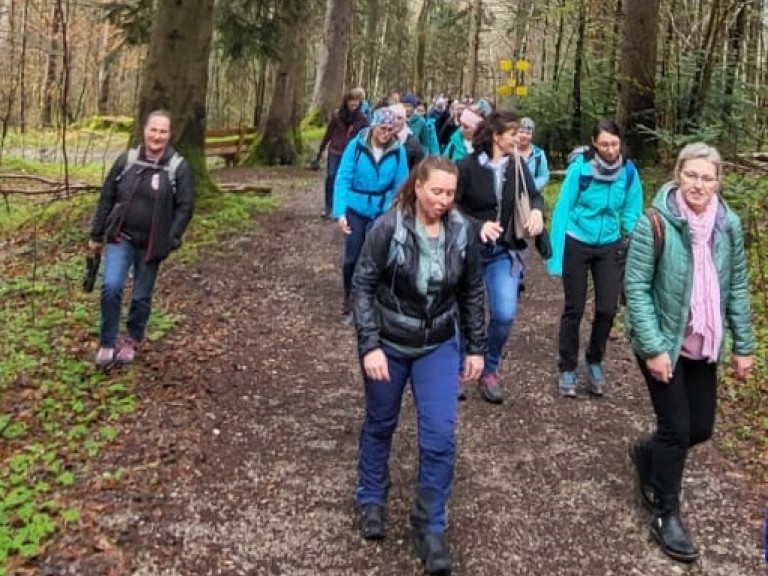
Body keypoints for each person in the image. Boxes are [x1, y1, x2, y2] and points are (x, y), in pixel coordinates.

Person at [351, 155, 486, 575]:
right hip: (388, 343)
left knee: (440, 435)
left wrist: (476, 347)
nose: (444, 200)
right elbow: (362, 284)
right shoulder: (388, 227)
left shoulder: (463, 231)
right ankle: (371, 497)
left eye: (450, 193)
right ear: (418, 187)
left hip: (437, 344)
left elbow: (473, 290)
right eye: (436, 192)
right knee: (380, 423)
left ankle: (429, 525)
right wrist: (369, 345)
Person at [625, 142, 753, 563]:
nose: (699, 184)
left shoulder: (728, 225)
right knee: (677, 429)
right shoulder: (656, 222)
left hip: (706, 342)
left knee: (700, 429)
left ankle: (647, 453)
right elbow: (637, 289)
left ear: (718, 182)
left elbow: (735, 286)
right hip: (664, 342)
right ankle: (666, 513)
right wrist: (654, 347)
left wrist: (743, 346)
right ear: (679, 174)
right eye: (692, 175)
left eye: (708, 177)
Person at [88, 109, 194, 369]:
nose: (157, 136)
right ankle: (107, 342)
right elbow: (107, 196)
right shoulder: (128, 160)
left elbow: (185, 206)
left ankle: (132, 340)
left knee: (140, 296)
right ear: (144, 130)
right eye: (153, 129)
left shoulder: (177, 167)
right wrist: (96, 235)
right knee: (111, 287)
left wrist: (171, 238)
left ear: (169, 135)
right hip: (119, 236)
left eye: (163, 131)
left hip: (152, 244)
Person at [547, 119, 643, 397]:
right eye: (604, 144)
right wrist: (556, 256)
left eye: (614, 143)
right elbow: (563, 209)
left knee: (607, 308)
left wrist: (630, 235)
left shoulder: (628, 171)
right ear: (594, 143)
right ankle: (567, 367)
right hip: (578, 240)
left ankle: (595, 360)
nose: (610, 149)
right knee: (574, 308)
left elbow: (632, 208)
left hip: (609, 245)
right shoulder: (581, 170)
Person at [456, 109, 544, 403]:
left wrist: (536, 212)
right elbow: (451, 209)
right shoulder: (466, 167)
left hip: (504, 252)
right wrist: (478, 226)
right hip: (468, 251)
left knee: (504, 314)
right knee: (459, 311)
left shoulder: (517, 165)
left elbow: (535, 196)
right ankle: (457, 369)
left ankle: (489, 368)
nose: (518, 137)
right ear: (496, 136)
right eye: (512, 133)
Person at [333, 108, 409, 319]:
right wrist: (340, 212)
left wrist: (398, 211)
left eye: (390, 130)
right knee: (352, 258)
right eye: (382, 129)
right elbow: (343, 178)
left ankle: (370, 301)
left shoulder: (397, 150)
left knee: (378, 257)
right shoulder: (356, 146)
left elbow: (401, 183)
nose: (386, 134)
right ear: (374, 127)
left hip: (382, 209)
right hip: (356, 207)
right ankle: (349, 295)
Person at [314, 93, 369, 218]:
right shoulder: (337, 116)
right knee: (331, 177)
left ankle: (343, 208)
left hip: (352, 154)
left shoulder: (362, 119)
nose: (354, 104)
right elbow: (328, 133)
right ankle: (329, 207)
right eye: (352, 101)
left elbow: (367, 136)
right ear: (346, 102)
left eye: (357, 101)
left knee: (348, 179)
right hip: (335, 151)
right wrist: (320, 152)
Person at [390, 103, 425, 170]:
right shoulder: (382, 137)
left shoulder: (412, 141)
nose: (395, 121)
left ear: (404, 120)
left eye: (399, 118)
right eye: (392, 117)